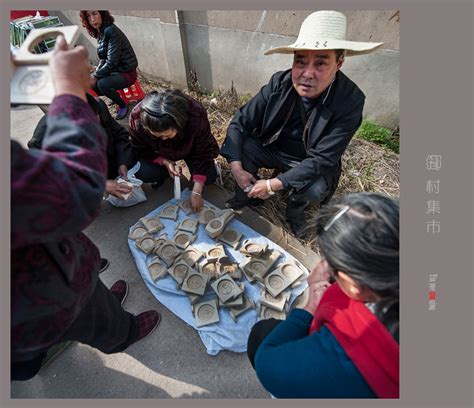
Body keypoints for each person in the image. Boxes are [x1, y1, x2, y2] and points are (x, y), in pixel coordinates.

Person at [11, 35, 160, 381]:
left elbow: (119, 137)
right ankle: (122, 333)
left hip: (43, 269)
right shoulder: (44, 133)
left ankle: (32, 357)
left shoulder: (97, 107)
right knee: (87, 313)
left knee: (88, 285)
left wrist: (122, 166)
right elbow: (69, 193)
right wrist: (101, 184)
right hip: (41, 296)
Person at [220, 10, 384, 237]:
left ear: (339, 62)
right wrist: (236, 167)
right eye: (301, 61)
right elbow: (241, 121)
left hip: (307, 159)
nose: (307, 74)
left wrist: (272, 185)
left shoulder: (350, 101)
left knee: (315, 189)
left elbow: (322, 159)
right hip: (274, 147)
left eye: (320, 63)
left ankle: (294, 213)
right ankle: (246, 197)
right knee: (243, 148)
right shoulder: (280, 82)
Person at [247, 192, 399, 398]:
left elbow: (267, 364)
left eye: (329, 262)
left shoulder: (347, 354)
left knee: (262, 336)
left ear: (353, 285)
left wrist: (310, 307)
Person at [28, 92, 134, 200]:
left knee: (143, 170)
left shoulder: (96, 105)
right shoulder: (41, 142)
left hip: (104, 164)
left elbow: (120, 135)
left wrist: (123, 162)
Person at [128, 89, 219, 213]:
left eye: (167, 135)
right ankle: (163, 172)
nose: (163, 138)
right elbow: (139, 147)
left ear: (179, 124)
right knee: (145, 172)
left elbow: (203, 149)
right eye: (157, 136)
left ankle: (192, 167)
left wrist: (197, 191)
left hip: (190, 149)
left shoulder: (195, 116)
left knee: (208, 177)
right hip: (158, 151)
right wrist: (164, 161)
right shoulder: (137, 119)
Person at [79, 10, 138, 120]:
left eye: (95, 13)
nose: (92, 19)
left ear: (102, 14)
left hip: (127, 72)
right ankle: (114, 96)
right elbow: (103, 59)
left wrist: (96, 76)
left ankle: (123, 105)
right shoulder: (101, 32)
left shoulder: (111, 31)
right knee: (94, 85)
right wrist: (95, 75)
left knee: (102, 84)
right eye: (88, 16)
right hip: (115, 71)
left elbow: (111, 62)